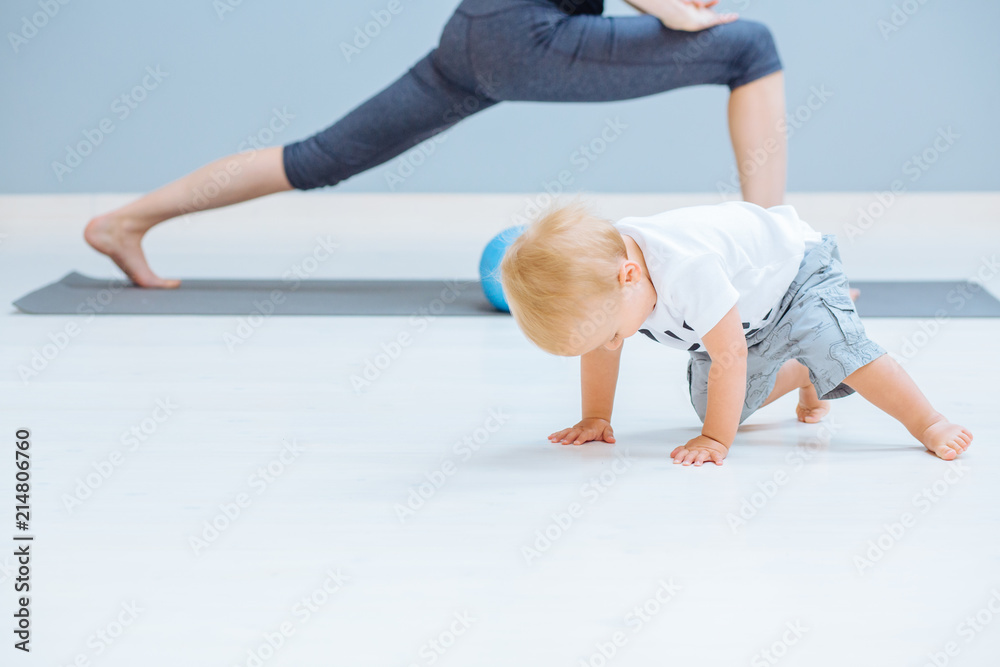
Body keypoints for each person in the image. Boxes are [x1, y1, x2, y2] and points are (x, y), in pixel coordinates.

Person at [84, 0, 786, 288]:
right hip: (523, 34)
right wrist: (664, 8)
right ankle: (781, 259)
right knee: (749, 46)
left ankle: (124, 222)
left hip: (474, 32)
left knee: (318, 157)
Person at [499, 200, 974, 466]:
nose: (609, 344)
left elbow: (728, 356)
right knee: (715, 404)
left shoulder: (686, 269)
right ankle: (806, 370)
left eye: (610, 334)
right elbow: (602, 350)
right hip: (747, 316)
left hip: (796, 274)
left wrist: (715, 441)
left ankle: (928, 421)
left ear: (629, 277)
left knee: (837, 346)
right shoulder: (609, 285)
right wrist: (595, 416)